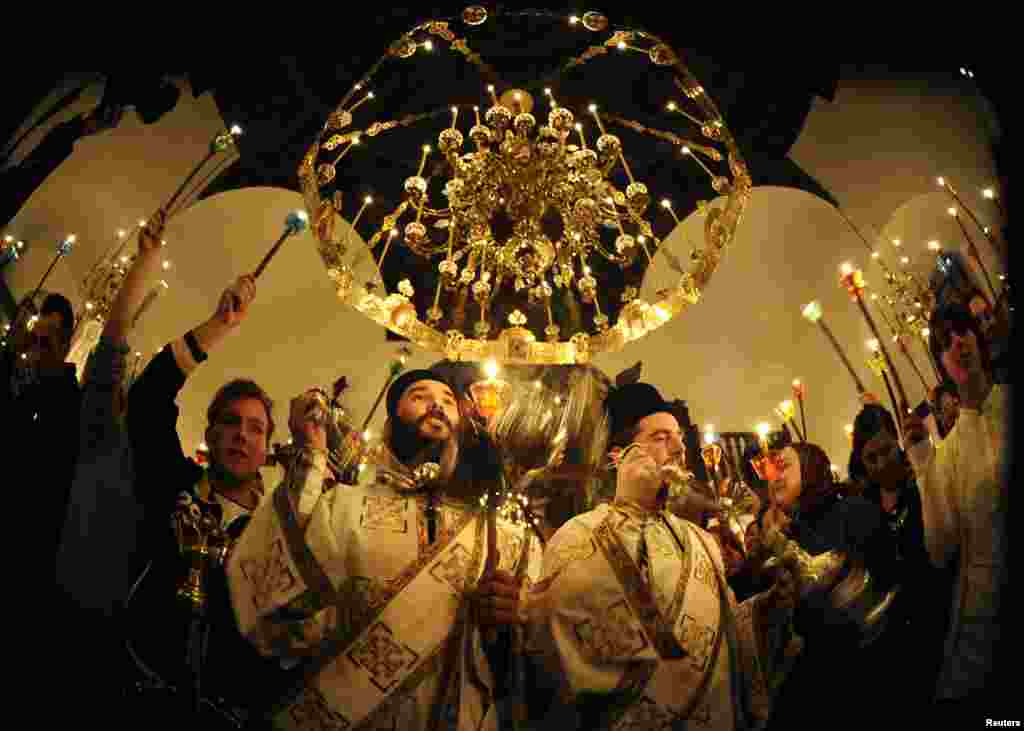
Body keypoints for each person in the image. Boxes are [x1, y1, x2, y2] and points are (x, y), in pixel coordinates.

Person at [227, 366, 541, 730]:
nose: (436, 405)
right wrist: (311, 453)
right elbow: (273, 593)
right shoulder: (341, 506)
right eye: (419, 396)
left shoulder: (499, 532)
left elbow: (532, 659)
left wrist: (511, 622)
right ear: (392, 421)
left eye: (447, 401)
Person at [523, 381, 798, 730]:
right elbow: (553, 647)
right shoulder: (578, 535)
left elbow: (729, 637)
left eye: (679, 437)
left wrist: (769, 608)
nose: (681, 448)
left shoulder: (701, 540)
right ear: (617, 455)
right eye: (661, 437)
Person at [122, 239, 283, 725]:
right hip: (144, 694)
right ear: (210, 434)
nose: (241, 435)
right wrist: (218, 328)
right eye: (231, 422)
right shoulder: (176, 487)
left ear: (268, 446)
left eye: (256, 427)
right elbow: (148, 400)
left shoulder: (280, 527)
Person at [902, 301, 1009, 711]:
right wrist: (924, 463)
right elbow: (941, 548)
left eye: (962, 331)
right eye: (945, 343)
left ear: (979, 340)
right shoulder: (948, 454)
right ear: (942, 367)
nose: (958, 344)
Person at [757, 442, 901, 729]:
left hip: (874, 674)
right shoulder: (790, 533)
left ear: (810, 468)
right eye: (773, 471)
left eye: (784, 466)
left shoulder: (854, 511)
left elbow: (890, 586)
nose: (775, 478)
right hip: (825, 678)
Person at [848, 404, 955, 707]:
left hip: (935, 623)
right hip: (890, 641)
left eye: (886, 451)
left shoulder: (922, 485)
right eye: (871, 458)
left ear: (897, 442)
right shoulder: (862, 506)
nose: (881, 463)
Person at [1, 290, 81, 561]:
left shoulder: (69, 400)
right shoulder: (17, 373)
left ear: (64, 345)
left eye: (45, 343)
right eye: (33, 340)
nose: (35, 352)